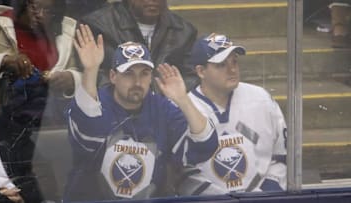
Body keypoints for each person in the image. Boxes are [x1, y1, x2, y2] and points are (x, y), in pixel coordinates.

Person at [64, 24, 217, 201]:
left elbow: (204, 148)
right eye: (129, 73)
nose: (137, 81)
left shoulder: (161, 107)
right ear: (113, 76)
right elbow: (87, 138)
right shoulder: (96, 102)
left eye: (144, 73)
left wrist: (183, 100)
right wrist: (90, 70)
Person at [0, 0, 81, 201]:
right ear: (21, 4)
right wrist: (4, 61)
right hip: (6, 120)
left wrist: (69, 79)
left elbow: (81, 74)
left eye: (48, 10)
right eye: (34, 7)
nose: (40, 14)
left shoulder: (65, 32)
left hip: (50, 121)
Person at [176, 33, 287, 195]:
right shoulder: (182, 107)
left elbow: (282, 154)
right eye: (221, 65)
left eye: (234, 61)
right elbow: (181, 170)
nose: (232, 69)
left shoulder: (261, 98)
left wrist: (268, 192)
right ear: (201, 71)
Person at [79, 0, 197, 87]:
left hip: (167, 107)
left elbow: (191, 77)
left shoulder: (185, 31)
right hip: (115, 107)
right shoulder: (97, 25)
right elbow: (93, 75)